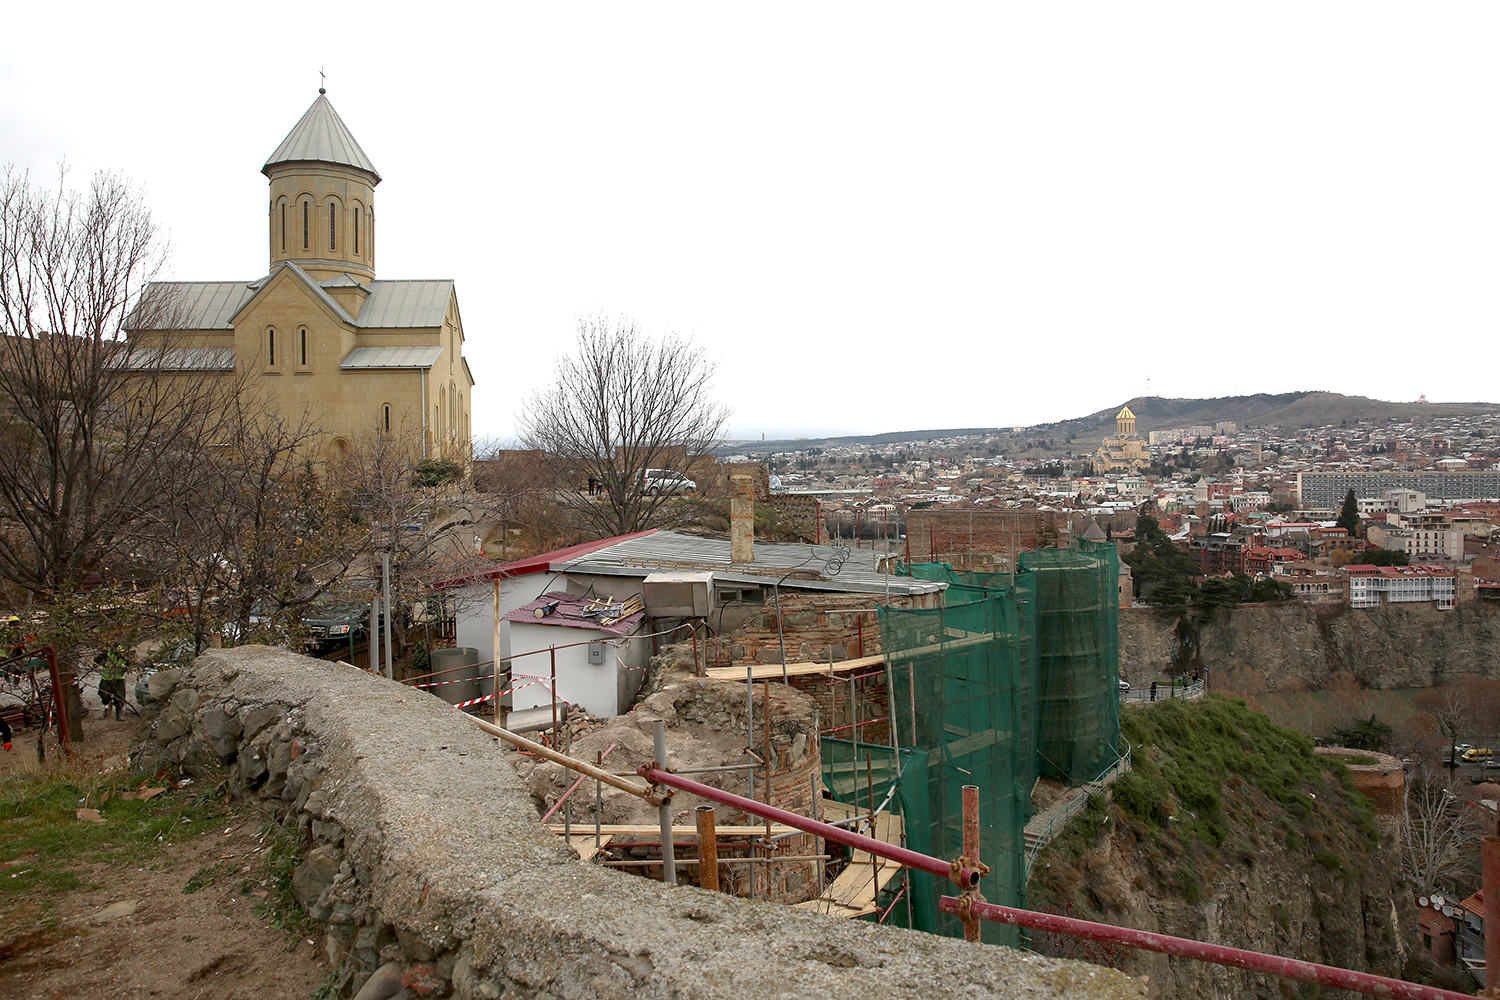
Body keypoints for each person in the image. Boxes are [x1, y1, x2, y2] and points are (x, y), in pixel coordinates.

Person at [95, 644, 129, 721]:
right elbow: (97, 659)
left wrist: (125, 668)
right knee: (103, 693)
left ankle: (119, 713)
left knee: (120, 696)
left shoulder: (125, 655)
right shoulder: (107, 653)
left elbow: (129, 664)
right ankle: (106, 705)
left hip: (119, 678)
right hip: (106, 678)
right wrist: (105, 664)